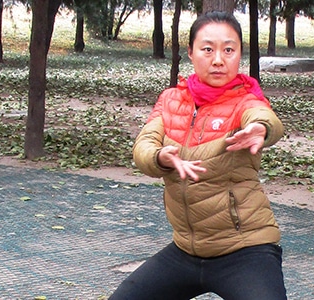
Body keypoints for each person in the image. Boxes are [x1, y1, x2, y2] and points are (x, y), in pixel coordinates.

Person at [109, 11, 287, 300]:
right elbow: (143, 146)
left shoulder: (246, 99)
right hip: (185, 251)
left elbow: (264, 117)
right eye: (208, 49)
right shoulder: (171, 100)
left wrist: (260, 129)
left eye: (229, 50)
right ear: (190, 53)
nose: (218, 59)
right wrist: (159, 157)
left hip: (245, 250)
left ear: (240, 53)